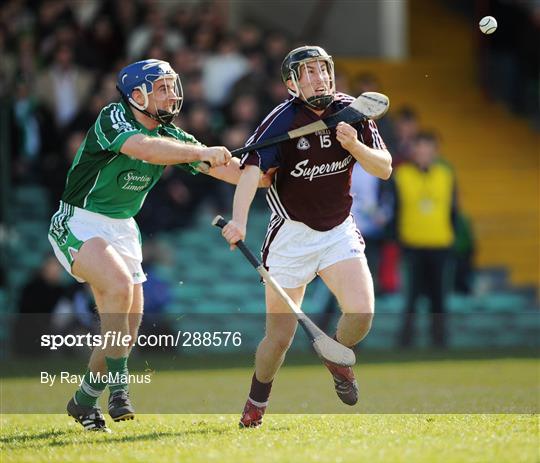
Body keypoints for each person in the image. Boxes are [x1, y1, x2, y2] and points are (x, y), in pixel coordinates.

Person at [47, 59, 269, 432]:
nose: (172, 94)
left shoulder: (176, 138)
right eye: (162, 88)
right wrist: (202, 152)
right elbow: (145, 149)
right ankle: (120, 391)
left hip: (122, 228)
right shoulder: (113, 118)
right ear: (137, 96)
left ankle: (83, 401)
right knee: (118, 289)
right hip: (79, 219)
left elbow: (231, 173)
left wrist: (262, 171)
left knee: (125, 326)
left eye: (172, 86)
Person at [221, 46, 392, 428]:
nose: (320, 78)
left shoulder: (354, 112)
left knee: (362, 313)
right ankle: (255, 404)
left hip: (338, 230)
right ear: (292, 83)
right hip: (291, 237)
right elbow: (252, 172)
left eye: (323, 70)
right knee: (278, 339)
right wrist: (239, 221)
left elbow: (384, 168)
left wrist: (354, 145)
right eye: (309, 72)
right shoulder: (280, 122)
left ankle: (337, 356)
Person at [390, 131, 457, 348]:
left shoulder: (446, 175)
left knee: (439, 298)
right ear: (413, 151)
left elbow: (454, 210)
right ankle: (405, 342)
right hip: (412, 245)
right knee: (411, 297)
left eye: (428, 149)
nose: (423, 154)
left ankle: (440, 341)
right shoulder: (401, 175)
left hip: (440, 244)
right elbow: (394, 211)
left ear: (435, 152)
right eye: (419, 149)